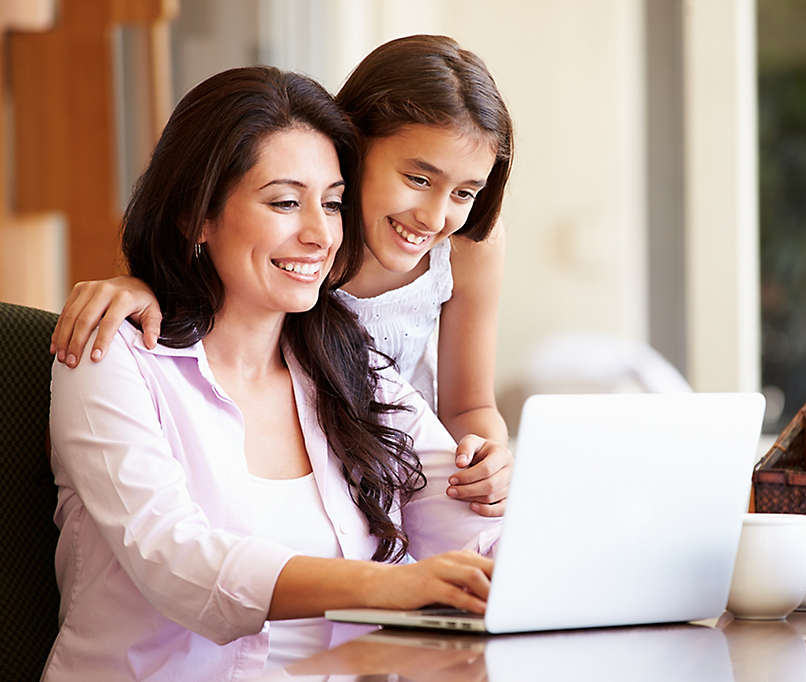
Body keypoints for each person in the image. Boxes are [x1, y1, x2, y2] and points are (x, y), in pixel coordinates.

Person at [45, 66, 501, 680]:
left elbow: (472, 537)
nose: (319, 234)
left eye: (334, 203)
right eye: (285, 202)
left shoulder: (352, 366)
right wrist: (387, 585)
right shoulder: (114, 360)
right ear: (197, 216)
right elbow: (177, 562)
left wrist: (501, 496)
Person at [49, 35, 514, 516]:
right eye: (418, 179)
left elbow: (468, 406)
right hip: (304, 464)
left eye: (464, 193)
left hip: (403, 466)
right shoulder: (302, 247)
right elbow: (215, 285)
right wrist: (140, 286)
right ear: (352, 146)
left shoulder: (464, 246)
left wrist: (488, 456)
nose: (435, 217)